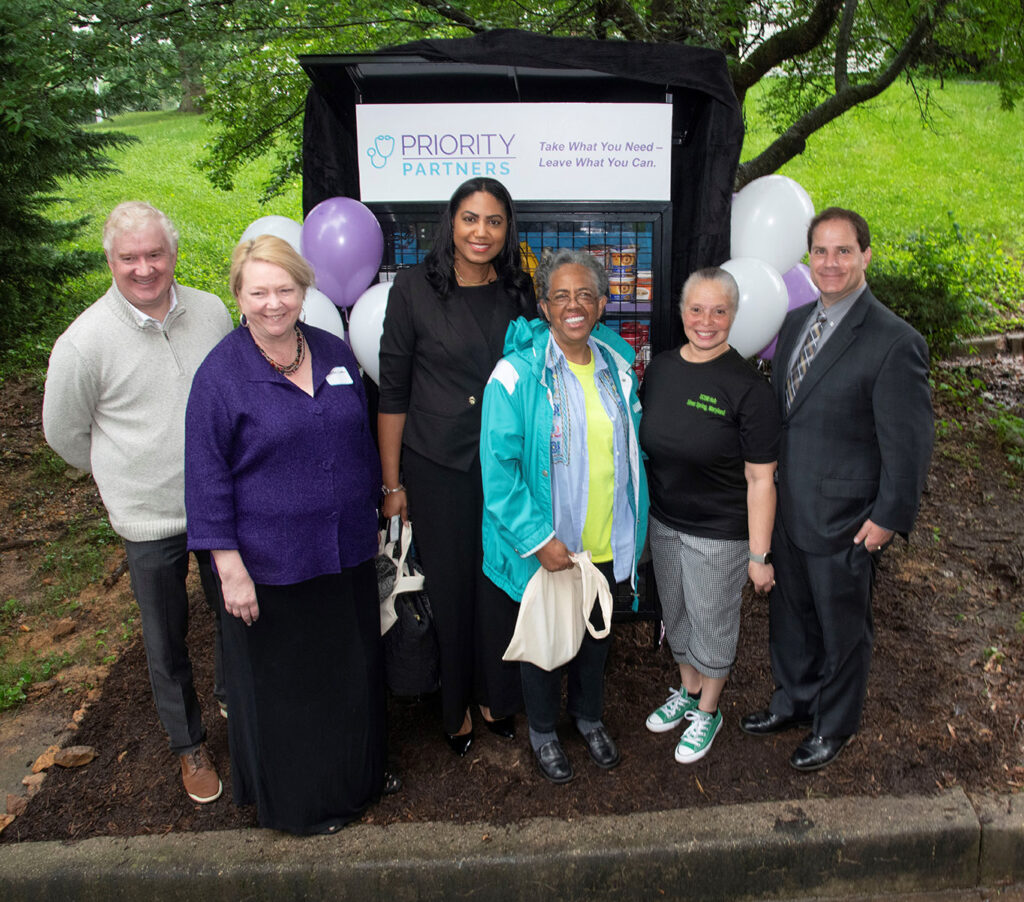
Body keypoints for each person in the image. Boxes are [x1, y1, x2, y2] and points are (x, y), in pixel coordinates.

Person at [185, 236, 388, 834]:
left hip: (345, 552)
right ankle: (302, 806)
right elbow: (206, 480)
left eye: (285, 289)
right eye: (259, 292)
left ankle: (356, 783)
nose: (273, 303)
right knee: (290, 694)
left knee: (348, 678)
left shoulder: (332, 351)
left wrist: (374, 508)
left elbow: (359, 439)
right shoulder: (220, 376)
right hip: (270, 568)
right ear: (239, 296)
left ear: (305, 291)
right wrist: (230, 568)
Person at [42, 201, 232, 805]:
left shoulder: (210, 311)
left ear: (173, 254)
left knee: (237, 612)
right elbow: (64, 434)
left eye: (155, 254)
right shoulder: (83, 342)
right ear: (111, 261)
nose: (145, 269)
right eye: (130, 258)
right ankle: (189, 746)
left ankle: (238, 700)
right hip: (147, 515)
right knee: (165, 636)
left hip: (217, 501)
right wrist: (119, 474)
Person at [740, 207, 933, 771]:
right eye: (820, 251)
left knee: (843, 629)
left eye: (843, 251)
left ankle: (835, 724)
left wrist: (889, 517)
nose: (830, 263)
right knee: (791, 616)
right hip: (789, 507)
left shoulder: (895, 341)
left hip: (848, 519)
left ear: (866, 255)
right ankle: (794, 701)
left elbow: (908, 442)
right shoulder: (797, 321)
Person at [377, 177, 536, 755]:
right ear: (451, 222)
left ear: (506, 229)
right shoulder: (414, 288)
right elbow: (392, 392)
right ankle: (454, 708)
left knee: (499, 584)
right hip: (436, 464)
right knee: (448, 586)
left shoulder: (520, 291)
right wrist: (392, 484)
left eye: (494, 221)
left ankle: (496, 694)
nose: (481, 232)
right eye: (470, 219)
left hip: (503, 467)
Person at [480, 248, 649, 784]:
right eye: (561, 296)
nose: (573, 305)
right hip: (551, 546)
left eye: (585, 296)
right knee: (546, 642)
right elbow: (498, 470)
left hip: (604, 538)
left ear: (601, 305)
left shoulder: (618, 368)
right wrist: (538, 539)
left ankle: (589, 717)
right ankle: (545, 731)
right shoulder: (515, 375)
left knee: (597, 635)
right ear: (545, 306)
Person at [640, 268, 780, 764]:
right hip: (664, 521)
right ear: (681, 313)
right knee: (676, 617)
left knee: (712, 623)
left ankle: (710, 710)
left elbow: (761, 479)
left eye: (719, 310)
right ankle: (689, 690)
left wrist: (759, 554)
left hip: (720, 534)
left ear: (733, 315)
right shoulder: (659, 370)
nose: (706, 320)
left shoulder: (749, 390)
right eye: (696, 309)